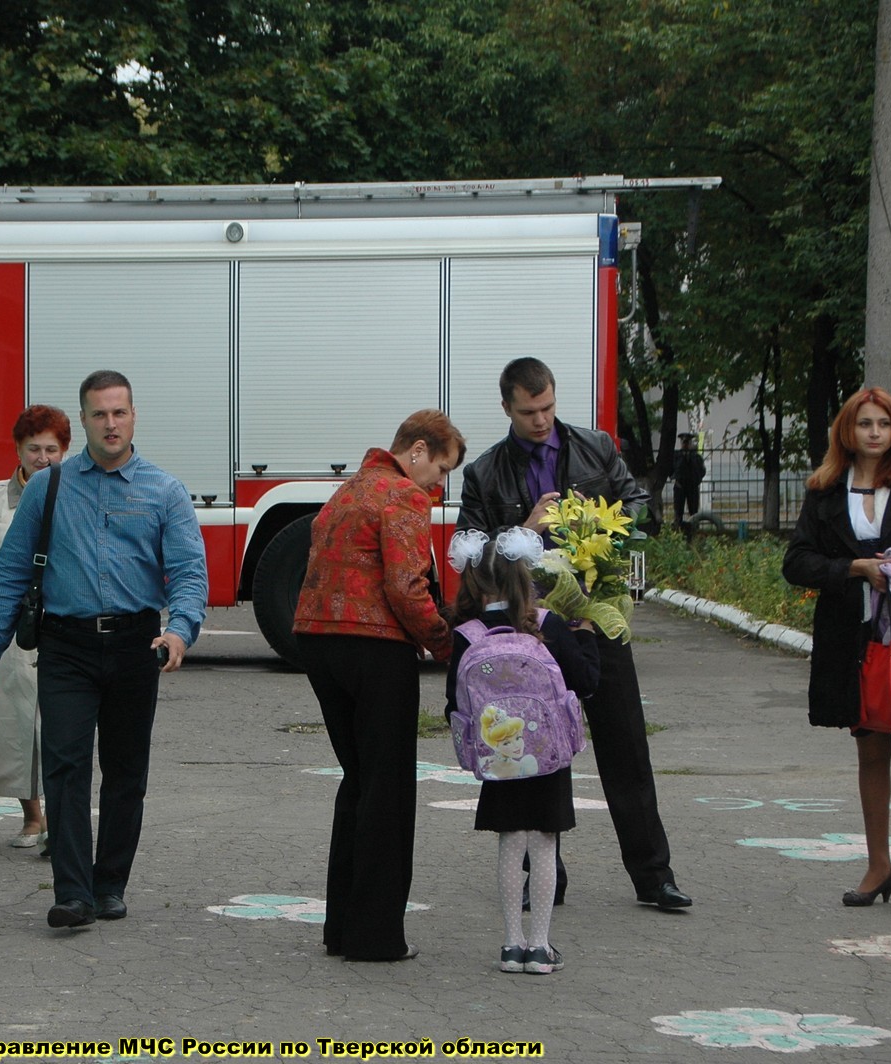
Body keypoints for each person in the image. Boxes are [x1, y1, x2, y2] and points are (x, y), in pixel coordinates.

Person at [0, 371, 207, 930]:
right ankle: (72, 892)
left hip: (135, 643)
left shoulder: (164, 491)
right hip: (65, 644)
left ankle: (109, 882)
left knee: (124, 771)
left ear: (134, 416)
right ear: (84, 420)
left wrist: (180, 631)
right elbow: (14, 569)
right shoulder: (51, 486)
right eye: (99, 414)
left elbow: (189, 571)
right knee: (64, 767)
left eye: (119, 413)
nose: (110, 424)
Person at [458, 357, 692, 910]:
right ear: (507, 409)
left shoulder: (596, 448)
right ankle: (547, 876)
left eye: (547, 408)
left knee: (626, 746)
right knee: (532, 749)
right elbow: (472, 557)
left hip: (596, 618)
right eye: (528, 412)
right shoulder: (485, 472)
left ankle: (653, 876)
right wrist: (526, 531)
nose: (540, 420)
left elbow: (639, 508)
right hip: (530, 631)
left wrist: (597, 522)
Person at [292, 409, 465, 962]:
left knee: (359, 781)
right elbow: (406, 587)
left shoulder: (350, 489)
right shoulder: (402, 496)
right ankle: (375, 936)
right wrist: (446, 644)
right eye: (440, 470)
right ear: (417, 450)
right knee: (388, 791)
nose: (439, 485)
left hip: (318, 641)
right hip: (375, 648)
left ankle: (341, 925)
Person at [782, 386, 891, 918]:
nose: (875, 432)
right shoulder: (824, 489)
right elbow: (796, 563)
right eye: (865, 424)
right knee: (870, 751)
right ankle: (879, 864)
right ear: (848, 431)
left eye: (884, 423)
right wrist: (855, 569)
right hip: (851, 640)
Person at [445, 527, 599, 975]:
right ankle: (540, 947)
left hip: (499, 759)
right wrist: (587, 632)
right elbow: (586, 681)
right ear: (524, 574)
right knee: (544, 845)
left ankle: (511, 945)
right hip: (548, 757)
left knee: (511, 842)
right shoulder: (545, 623)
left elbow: (456, 704)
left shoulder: (468, 633)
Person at [0, 405, 72, 848]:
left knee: (59, 724)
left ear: (65, 451)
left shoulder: (77, 493)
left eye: (52, 449)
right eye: (34, 448)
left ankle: (61, 820)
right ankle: (32, 816)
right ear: (18, 449)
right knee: (12, 723)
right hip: (3, 629)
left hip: (61, 624)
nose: (42, 457)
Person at [672, 433, 706, 530]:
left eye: (687, 442)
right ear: (681, 443)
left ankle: (694, 529)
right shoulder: (676, 455)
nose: (685, 444)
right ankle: (677, 530)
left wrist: (697, 480)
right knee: (678, 511)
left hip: (692, 487)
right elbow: (671, 468)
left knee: (694, 511)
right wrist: (674, 477)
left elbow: (702, 471)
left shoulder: (696, 457)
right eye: (684, 442)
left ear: (690, 443)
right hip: (680, 486)